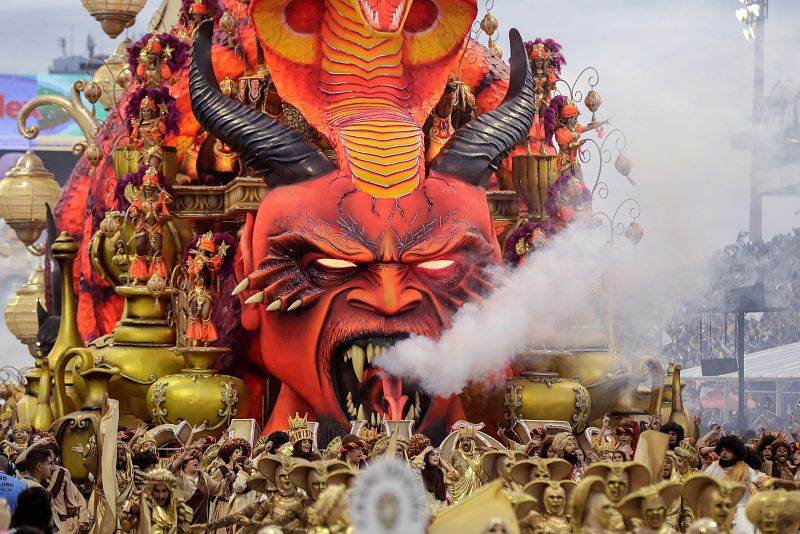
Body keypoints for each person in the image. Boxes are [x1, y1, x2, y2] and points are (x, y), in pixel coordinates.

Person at [704, 435, 761, 533]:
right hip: (719, 507)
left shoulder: (743, 467)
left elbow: (757, 480)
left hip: (741, 507)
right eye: (722, 450)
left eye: (728, 451)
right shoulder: (714, 465)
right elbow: (704, 481)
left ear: (736, 454)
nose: (724, 453)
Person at [447, 426, 489, 504]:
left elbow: (496, 454)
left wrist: (486, 449)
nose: (465, 443)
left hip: (479, 494)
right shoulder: (455, 454)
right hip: (460, 497)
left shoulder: (479, 455)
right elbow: (446, 465)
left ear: (472, 442)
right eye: (462, 440)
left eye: (468, 440)